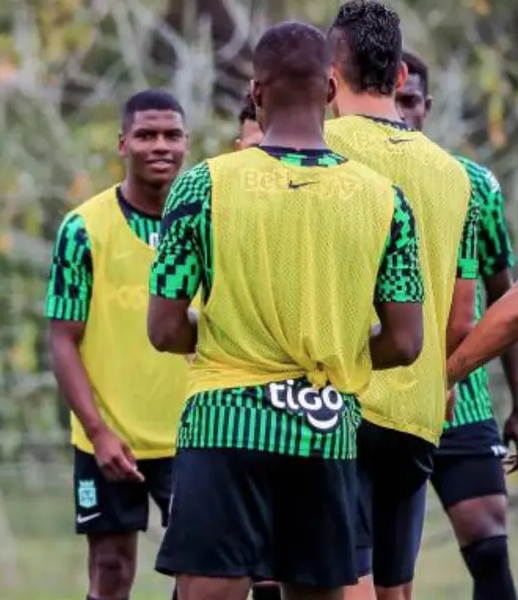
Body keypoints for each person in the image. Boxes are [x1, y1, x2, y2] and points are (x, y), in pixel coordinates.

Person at [149, 20, 426, 600]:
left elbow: (165, 327)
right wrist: (338, 345)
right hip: (323, 429)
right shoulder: (386, 201)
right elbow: (405, 342)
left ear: (255, 94)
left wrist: (227, 336)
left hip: (224, 423)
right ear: (329, 90)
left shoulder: (202, 186)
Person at [324, 3, 481, 599]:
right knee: (395, 588)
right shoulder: (456, 175)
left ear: (328, 77)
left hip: (339, 406)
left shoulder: (314, 150)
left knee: (344, 586)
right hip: (419, 411)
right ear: (398, 80)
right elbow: (459, 314)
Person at [45, 89, 188, 600]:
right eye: (147, 135)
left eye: (172, 135)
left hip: (190, 436)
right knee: (110, 569)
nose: (160, 146)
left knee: (200, 574)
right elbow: (62, 340)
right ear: (122, 143)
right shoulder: (83, 229)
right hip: (109, 438)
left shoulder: (205, 223)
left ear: (186, 143)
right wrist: (99, 432)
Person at [397, 49, 517, 600]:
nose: (401, 114)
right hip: (381, 396)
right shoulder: (350, 180)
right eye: (393, 101)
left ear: (427, 106)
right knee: (383, 562)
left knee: (489, 541)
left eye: (410, 102)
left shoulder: (473, 184)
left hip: (461, 396)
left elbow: (504, 298)